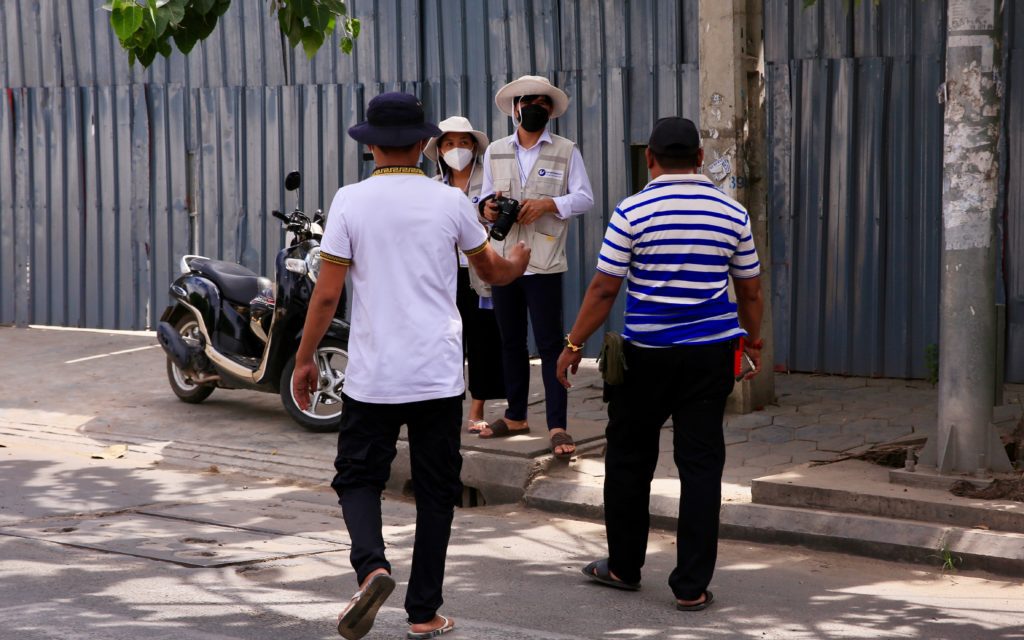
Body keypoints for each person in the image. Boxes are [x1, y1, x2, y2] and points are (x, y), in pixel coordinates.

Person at [291, 92, 530, 640]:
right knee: (436, 490)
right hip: (437, 376)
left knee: (357, 477)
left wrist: (307, 360)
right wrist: (516, 262)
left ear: (370, 144)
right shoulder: (450, 203)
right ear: (425, 144)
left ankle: (372, 568)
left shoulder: (350, 201)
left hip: (374, 376)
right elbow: (491, 272)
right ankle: (424, 613)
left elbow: (326, 298)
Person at [556, 117, 764, 612]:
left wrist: (572, 343)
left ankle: (624, 567)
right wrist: (752, 345)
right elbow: (750, 289)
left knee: (629, 460)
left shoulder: (632, 211)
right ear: (698, 158)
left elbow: (606, 287)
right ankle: (691, 585)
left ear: (649, 158)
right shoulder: (731, 213)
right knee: (700, 466)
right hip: (710, 356)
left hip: (645, 357)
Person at [477, 75, 594, 459]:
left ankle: (557, 425)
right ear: (515, 108)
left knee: (548, 344)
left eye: (543, 103)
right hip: (505, 261)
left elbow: (584, 198)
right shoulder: (494, 151)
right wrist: (487, 209)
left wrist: (549, 204)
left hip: (544, 262)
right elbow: (481, 200)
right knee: (509, 341)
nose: (535, 107)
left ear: (550, 110)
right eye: (528, 101)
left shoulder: (566, 149)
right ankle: (514, 416)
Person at [424, 116, 506, 433]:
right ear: (439, 150)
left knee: (484, 339)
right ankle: (445, 406)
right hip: (443, 275)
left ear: (474, 146)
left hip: (481, 272)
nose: (456, 149)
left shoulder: (490, 181)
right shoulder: (432, 187)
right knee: (446, 342)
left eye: (463, 142)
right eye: (449, 143)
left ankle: (477, 410)